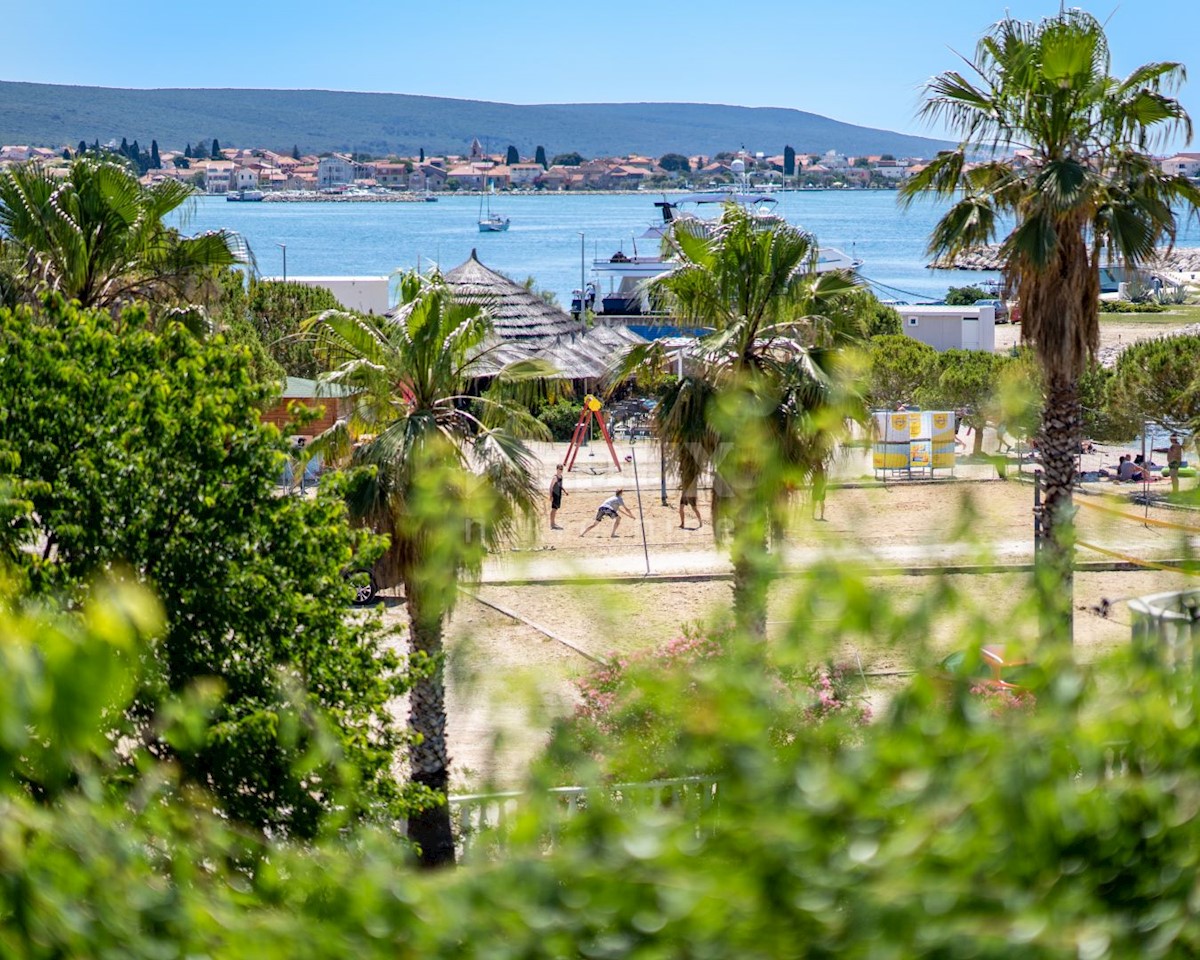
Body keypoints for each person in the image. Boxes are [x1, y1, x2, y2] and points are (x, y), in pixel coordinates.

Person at [549, 464, 566, 530]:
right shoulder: (555, 477)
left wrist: (565, 491)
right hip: (555, 495)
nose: (561, 470)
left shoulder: (561, 476)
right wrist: (551, 496)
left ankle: (553, 523)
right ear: (557, 469)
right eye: (559, 469)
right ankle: (552, 524)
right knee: (553, 509)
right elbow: (550, 487)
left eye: (562, 469)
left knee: (556, 509)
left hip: (559, 494)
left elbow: (560, 485)